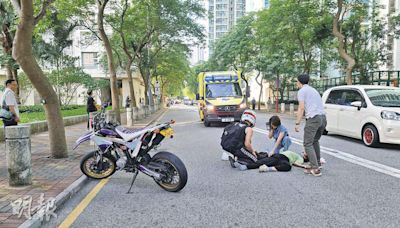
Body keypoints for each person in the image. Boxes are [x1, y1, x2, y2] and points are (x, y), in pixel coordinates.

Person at [295, 74, 327, 177]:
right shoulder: (314, 90)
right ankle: (317, 163)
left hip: (313, 118)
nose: (296, 83)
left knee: (307, 143)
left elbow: (301, 108)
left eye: (296, 81)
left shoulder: (301, 91)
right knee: (314, 141)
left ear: (299, 82)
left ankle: (315, 168)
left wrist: (297, 123)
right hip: (322, 118)